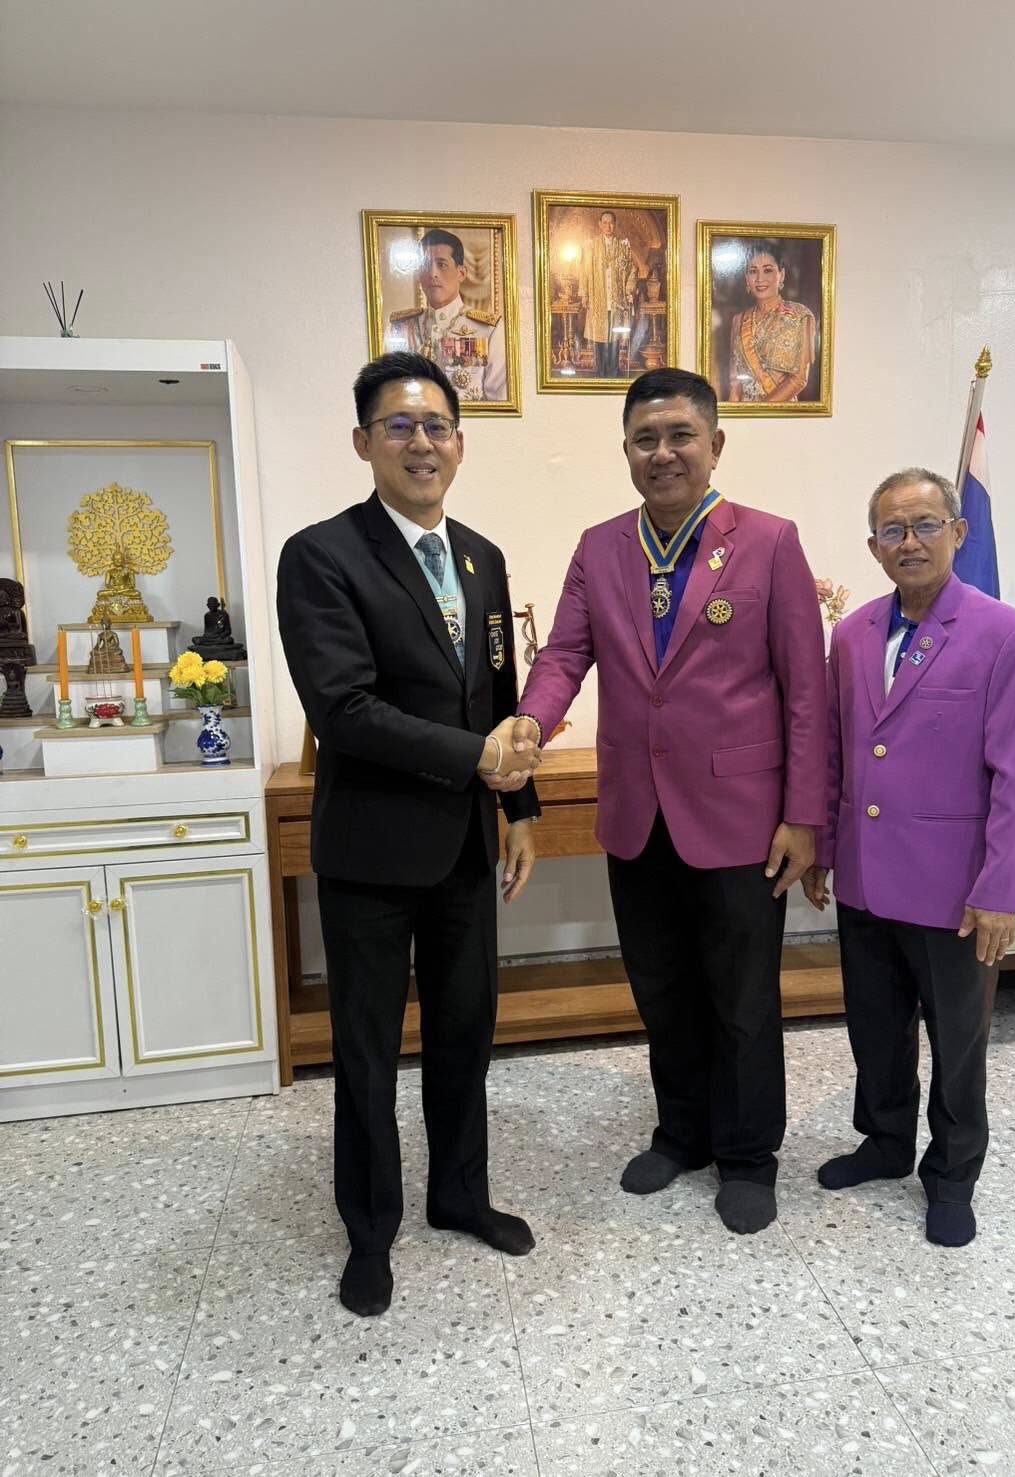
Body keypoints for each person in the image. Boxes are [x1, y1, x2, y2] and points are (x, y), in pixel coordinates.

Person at [513, 368, 827, 1234]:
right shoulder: (600, 547)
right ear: (626, 452)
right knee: (661, 988)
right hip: (636, 814)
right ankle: (682, 1132)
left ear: (715, 444)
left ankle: (749, 1153)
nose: (663, 452)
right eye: (645, 438)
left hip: (743, 819)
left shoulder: (769, 541)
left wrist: (806, 817)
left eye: (680, 434)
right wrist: (531, 722)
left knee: (742, 997)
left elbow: (806, 693)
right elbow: (563, 656)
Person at [276, 351, 540, 1317]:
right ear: (364, 442)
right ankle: (369, 1229)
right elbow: (343, 709)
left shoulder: (482, 556)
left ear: (459, 444)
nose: (420, 442)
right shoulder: (321, 556)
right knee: (368, 1051)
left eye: (436, 426)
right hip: (372, 856)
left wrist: (519, 810)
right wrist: (478, 758)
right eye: (399, 425)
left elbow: (500, 692)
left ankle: (459, 1194)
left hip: (466, 848)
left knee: (467, 1033)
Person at [802, 469, 1015, 1248]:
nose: (910, 541)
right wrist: (824, 848)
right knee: (875, 1027)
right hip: (866, 877)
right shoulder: (852, 634)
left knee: (958, 1040)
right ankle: (884, 1142)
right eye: (893, 529)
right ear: (873, 546)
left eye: (926, 524)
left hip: (955, 889)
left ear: (958, 532)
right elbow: (838, 750)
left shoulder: (1006, 633)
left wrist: (1001, 888)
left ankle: (952, 1174)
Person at [388, 229, 507, 402]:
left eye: (442, 264)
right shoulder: (401, 327)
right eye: (426, 265)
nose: (433, 273)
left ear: (461, 273)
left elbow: (500, 401)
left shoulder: (488, 329)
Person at [728, 240, 816, 404]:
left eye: (768, 270)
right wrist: (733, 413)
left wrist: (760, 411)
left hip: (780, 412)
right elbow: (735, 383)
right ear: (747, 278)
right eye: (753, 271)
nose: (760, 279)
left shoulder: (800, 315)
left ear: (781, 274)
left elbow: (799, 379)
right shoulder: (738, 320)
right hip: (744, 411)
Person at [579, 210, 638, 378]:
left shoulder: (622, 246)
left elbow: (632, 270)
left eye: (611, 222)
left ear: (615, 225)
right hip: (598, 298)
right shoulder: (591, 246)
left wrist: (629, 290)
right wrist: (584, 294)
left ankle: (613, 372)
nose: (608, 226)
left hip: (616, 299)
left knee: (615, 335)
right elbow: (584, 270)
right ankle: (600, 372)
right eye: (604, 223)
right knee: (598, 335)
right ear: (600, 225)